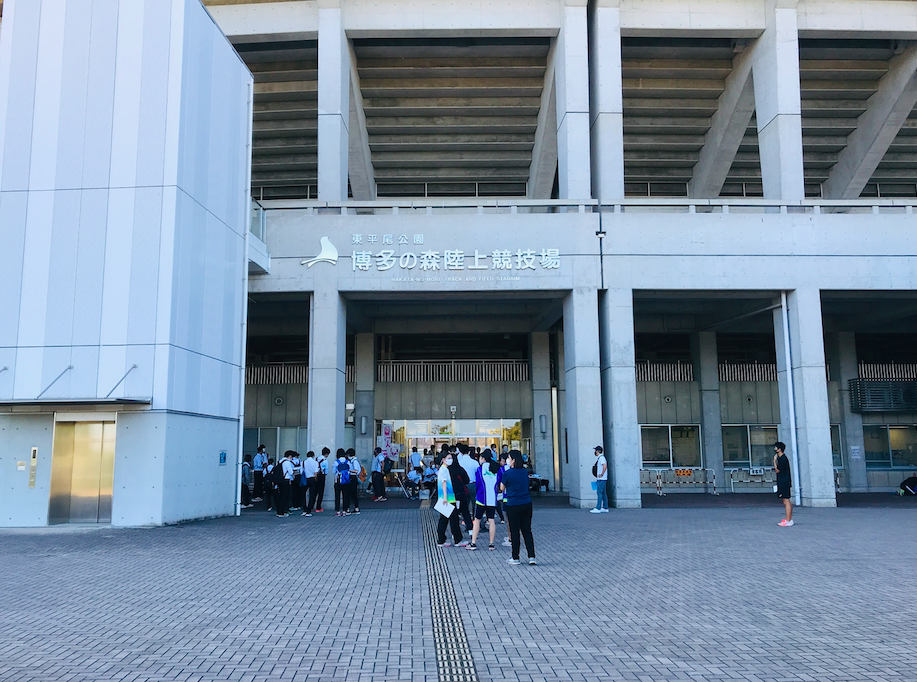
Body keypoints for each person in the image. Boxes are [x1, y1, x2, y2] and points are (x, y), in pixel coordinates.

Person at [501, 450, 535, 565]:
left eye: (509, 458)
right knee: (527, 531)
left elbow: (502, 488)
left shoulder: (508, 473)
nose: (507, 460)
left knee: (514, 532)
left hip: (513, 504)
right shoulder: (524, 471)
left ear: (513, 460)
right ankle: (532, 557)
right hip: (526, 503)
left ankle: (515, 557)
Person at [468, 450, 499, 550]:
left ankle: (473, 543)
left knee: (477, 520)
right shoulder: (495, 469)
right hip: (492, 499)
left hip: (481, 498)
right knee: (491, 520)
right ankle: (491, 543)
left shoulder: (480, 469)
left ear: (483, 459)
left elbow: (477, 484)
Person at [436, 454, 463, 547]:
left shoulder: (443, 469)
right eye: (448, 458)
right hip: (448, 498)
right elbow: (444, 483)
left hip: (445, 498)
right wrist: (445, 498)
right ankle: (457, 539)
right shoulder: (444, 470)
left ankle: (442, 539)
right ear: (443, 459)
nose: (450, 460)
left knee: (444, 519)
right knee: (453, 519)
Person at [448, 447, 472, 532]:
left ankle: (454, 532)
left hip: (451, 495)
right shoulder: (461, 470)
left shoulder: (447, 471)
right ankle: (470, 529)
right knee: (465, 512)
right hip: (462, 493)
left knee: (453, 514)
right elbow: (467, 480)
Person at [774, 442, 793, 527]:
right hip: (784, 482)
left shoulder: (783, 459)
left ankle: (788, 520)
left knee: (786, 500)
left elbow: (777, 470)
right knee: (785, 500)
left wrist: (774, 461)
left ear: (779, 449)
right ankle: (788, 519)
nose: (775, 449)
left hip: (784, 482)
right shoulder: (781, 458)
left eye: (776, 447)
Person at [590, 445, 609, 513]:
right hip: (602, 478)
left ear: (597, 451)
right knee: (603, 493)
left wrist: (601, 474)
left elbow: (604, 466)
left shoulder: (601, 458)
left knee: (599, 492)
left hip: (601, 478)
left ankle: (598, 508)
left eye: (595, 450)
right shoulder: (601, 458)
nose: (595, 452)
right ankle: (605, 507)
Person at [276, 451, 295, 517]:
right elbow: (291, 472)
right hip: (286, 480)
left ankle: (280, 510)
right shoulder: (287, 462)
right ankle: (281, 512)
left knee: (281, 496)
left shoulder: (280, 461)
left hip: (281, 480)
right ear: (289, 456)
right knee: (285, 496)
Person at [301, 451, 319, 516]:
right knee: (312, 495)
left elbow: (301, 471)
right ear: (313, 455)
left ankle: (304, 509)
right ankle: (309, 510)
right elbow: (316, 473)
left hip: (305, 479)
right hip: (312, 479)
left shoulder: (303, 462)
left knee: (303, 494)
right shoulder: (315, 462)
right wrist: (316, 479)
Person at [334, 449, 351, 517]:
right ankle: (344, 510)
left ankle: (338, 511)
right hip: (346, 480)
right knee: (345, 495)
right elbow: (350, 470)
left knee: (337, 496)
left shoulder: (336, 462)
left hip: (338, 480)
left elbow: (334, 471)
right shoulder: (347, 461)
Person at [347, 449, 362, 514]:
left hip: (352, 478)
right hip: (354, 478)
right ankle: (356, 508)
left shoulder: (354, 461)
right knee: (354, 494)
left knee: (349, 493)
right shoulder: (354, 461)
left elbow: (356, 470)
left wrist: (349, 470)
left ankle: (348, 508)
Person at [314, 447, 329, 512]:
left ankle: (311, 506)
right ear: (326, 454)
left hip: (316, 475)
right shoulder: (325, 461)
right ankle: (318, 507)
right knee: (321, 492)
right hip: (322, 476)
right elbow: (326, 470)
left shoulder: (316, 458)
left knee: (314, 491)